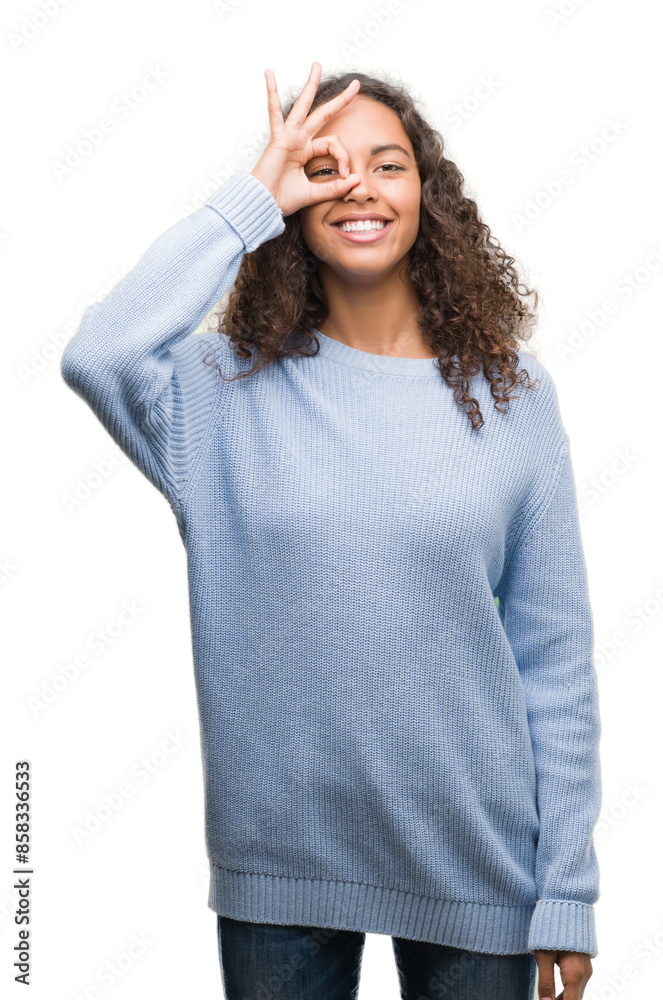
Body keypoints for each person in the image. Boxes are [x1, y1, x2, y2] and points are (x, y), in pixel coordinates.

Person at [60, 61, 602, 1000]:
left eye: (386, 165)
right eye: (323, 168)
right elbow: (98, 353)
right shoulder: (218, 392)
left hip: (481, 871)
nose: (356, 186)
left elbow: (551, 659)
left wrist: (567, 891)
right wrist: (247, 199)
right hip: (279, 867)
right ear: (290, 206)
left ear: (427, 193)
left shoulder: (511, 398)